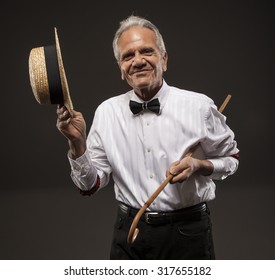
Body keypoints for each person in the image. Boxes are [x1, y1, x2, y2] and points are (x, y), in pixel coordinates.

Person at [56, 15, 239, 260]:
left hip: (188, 233)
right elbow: (90, 184)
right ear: (121, 69)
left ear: (164, 58)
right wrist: (77, 144)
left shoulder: (200, 107)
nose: (138, 61)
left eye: (147, 51)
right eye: (128, 56)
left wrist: (199, 165)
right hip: (129, 232)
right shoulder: (106, 112)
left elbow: (231, 159)